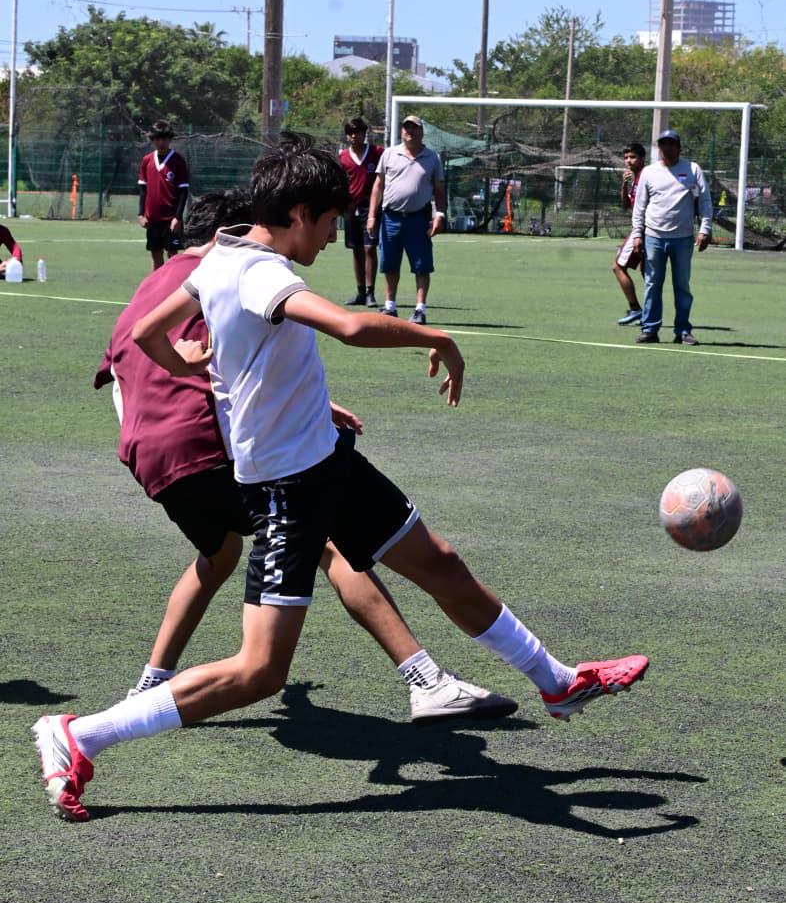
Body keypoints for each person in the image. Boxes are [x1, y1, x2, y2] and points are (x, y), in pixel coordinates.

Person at [33, 135, 648, 822]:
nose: (333, 237)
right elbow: (350, 328)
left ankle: (557, 682)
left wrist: (196, 369)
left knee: (440, 562)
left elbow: (149, 332)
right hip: (286, 490)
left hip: (328, 463)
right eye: (330, 222)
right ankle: (80, 734)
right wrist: (436, 339)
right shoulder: (262, 272)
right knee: (259, 672)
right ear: (299, 212)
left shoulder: (222, 254)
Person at [96, 187, 515, 723]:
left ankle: (150, 683)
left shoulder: (155, 283)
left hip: (149, 454)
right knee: (333, 546)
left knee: (219, 555)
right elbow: (249, 358)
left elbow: (127, 358)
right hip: (214, 443)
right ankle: (426, 680)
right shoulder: (233, 271)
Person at [631, 130, 713, 346]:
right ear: (658, 147)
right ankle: (649, 329)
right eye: (663, 144)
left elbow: (704, 201)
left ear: (679, 147)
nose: (666, 148)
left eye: (671, 144)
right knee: (652, 284)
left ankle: (683, 331)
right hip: (653, 237)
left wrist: (705, 229)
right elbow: (639, 207)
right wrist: (637, 234)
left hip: (683, 239)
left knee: (682, 286)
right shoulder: (649, 172)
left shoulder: (692, 169)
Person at [367, 115, 446, 325]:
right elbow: (378, 185)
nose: (409, 131)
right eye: (406, 128)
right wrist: (372, 216)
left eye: (414, 128)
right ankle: (390, 306)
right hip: (391, 217)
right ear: (401, 131)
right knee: (390, 264)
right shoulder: (390, 154)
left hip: (419, 219)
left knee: (421, 265)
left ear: (421, 131)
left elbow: (439, 189)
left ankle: (420, 309)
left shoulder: (432, 158)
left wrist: (440, 214)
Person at [339, 118, 384, 309]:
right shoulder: (342, 157)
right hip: (351, 209)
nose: (354, 136)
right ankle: (360, 292)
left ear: (365, 133)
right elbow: (340, 183)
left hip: (371, 208)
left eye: (358, 132)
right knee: (356, 250)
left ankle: (370, 293)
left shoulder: (377, 153)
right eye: (350, 132)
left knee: (369, 248)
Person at [138, 120, 190, 272]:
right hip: (153, 219)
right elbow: (143, 189)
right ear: (152, 139)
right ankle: (157, 292)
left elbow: (183, 191)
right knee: (156, 256)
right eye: (157, 138)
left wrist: (178, 217)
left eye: (164, 138)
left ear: (170, 139)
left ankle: (172, 289)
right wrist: (141, 214)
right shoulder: (147, 160)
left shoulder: (178, 161)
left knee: (173, 256)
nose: (161, 142)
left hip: (171, 220)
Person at [613, 142, 647, 326]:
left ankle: (636, 309)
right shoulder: (634, 178)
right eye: (626, 157)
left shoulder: (645, 177)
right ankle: (647, 312)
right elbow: (627, 205)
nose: (628, 161)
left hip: (642, 230)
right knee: (646, 272)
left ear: (642, 158)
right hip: (643, 229)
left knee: (617, 267)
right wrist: (624, 185)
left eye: (632, 157)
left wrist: (638, 234)